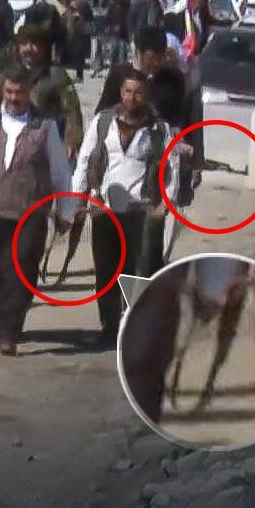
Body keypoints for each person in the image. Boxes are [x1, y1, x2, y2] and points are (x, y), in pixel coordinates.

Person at [0, 68, 75, 356]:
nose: (14, 98)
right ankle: (2, 317)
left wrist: (66, 211)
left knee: (21, 269)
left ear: (30, 91)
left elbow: (60, 172)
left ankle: (8, 331)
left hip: (30, 212)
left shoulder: (46, 126)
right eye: (9, 92)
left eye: (19, 92)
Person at [71, 70, 178, 348]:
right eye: (128, 91)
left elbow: (172, 170)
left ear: (146, 95)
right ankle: (109, 326)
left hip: (142, 210)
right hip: (104, 208)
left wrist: (165, 205)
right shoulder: (102, 122)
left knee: (138, 270)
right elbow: (84, 160)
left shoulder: (159, 129)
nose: (132, 97)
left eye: (138, 92)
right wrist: (77, 198)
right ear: (120, 92)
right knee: (106, 271)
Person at [97, 27, 203, 204]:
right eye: (150, 58)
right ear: (138, 52)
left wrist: (181, 143)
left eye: (159, 58)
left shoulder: (174, 79)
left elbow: (178, 119)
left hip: (156, 167)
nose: (155, 63)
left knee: (150, 222)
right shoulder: (120, 75)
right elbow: (101, 114)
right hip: (119, 161)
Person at [12, 23, 85, 158]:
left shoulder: (56, 75)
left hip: (47, 143)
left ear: (45, 48)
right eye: (24, 44)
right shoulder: (9, 74)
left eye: (35, 44)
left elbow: (71, 110)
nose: (29, 48)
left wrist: (72, 139)